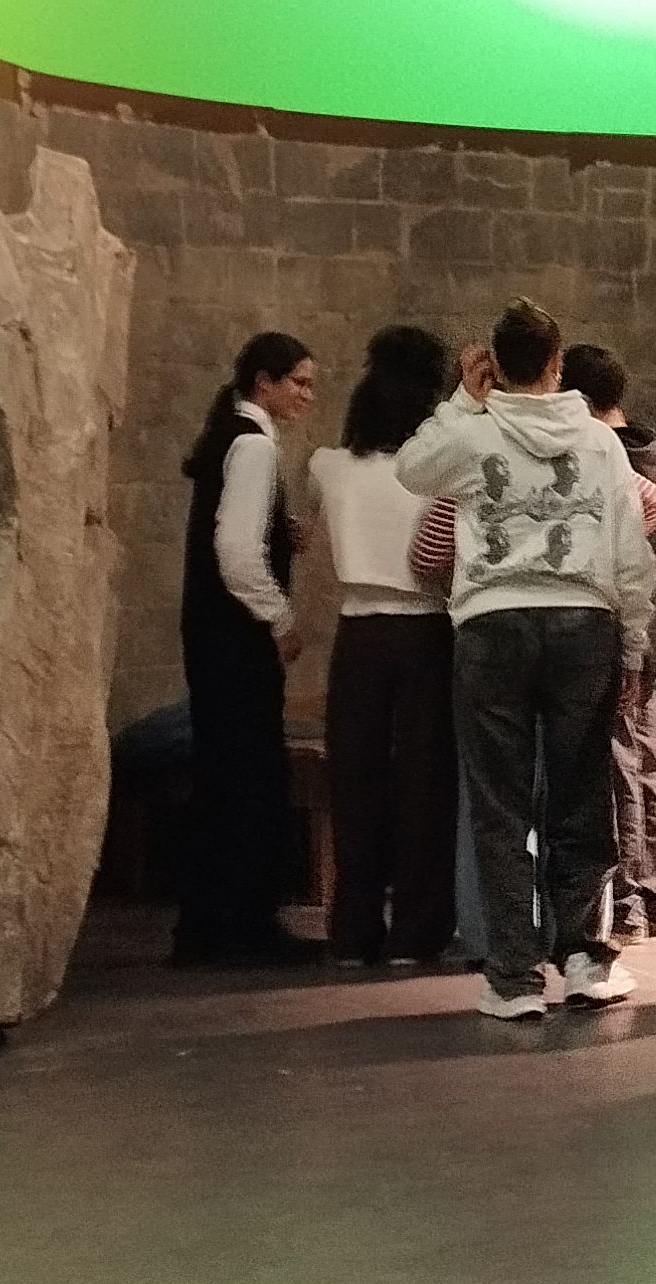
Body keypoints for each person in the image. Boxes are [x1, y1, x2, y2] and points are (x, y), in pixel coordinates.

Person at [396, 299, 656, 1020]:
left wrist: (462, 398)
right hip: (582, 623)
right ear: (556, 362)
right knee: (582, 795)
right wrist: (634, 642)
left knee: (500, 805)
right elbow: (629, 550)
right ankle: (584, 960)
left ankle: (513, 977)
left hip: (493, 623)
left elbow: (412, 468)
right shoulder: (599, 442)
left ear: (495, 363)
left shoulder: (472, 433)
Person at [309, 325, 460, 969]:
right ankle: (416, 932)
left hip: (357, 632)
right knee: (426, 783)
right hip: (426, 628)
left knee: (355, 781)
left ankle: (353, 930)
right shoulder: (437, 472)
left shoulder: (327, 465)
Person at [172, 331, 318, 967]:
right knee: (250, 778)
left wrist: (282, 533)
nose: (307, 395)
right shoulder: (254, 445)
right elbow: (235, 553)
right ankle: (243, 926)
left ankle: (208, 925)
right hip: (237, 637)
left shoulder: (230, 436)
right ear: (264, 381)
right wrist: (280, 618)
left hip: (210, 635)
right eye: (299, 383)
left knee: (222, 774)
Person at [561, 343, 656, 941]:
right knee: (646, 759)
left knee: (619, 765)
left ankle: (631, 897)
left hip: (621, 632)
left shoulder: (607, 463)